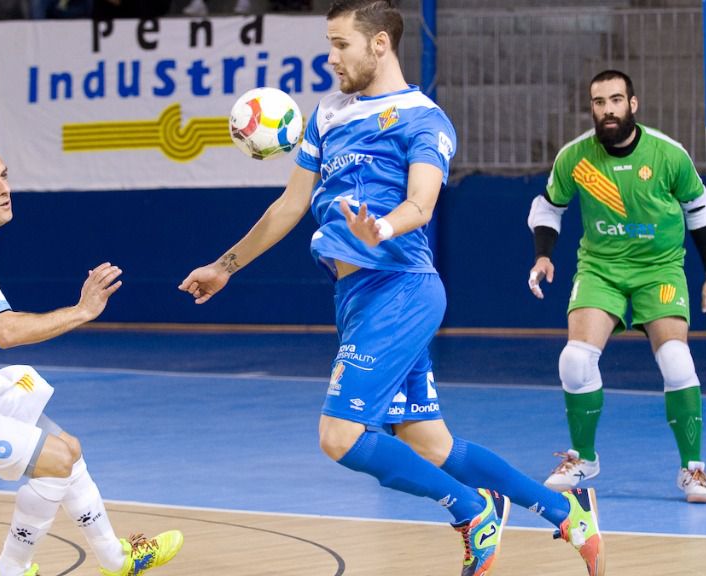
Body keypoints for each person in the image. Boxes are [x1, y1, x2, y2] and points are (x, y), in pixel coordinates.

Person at [179, 2, 603, 575]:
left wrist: (381, 227)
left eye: (341, 45)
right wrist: (225, 265)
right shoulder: (327, 113)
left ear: (380, 45)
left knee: (340, 435)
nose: (330, 59)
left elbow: (421, 203)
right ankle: (566, 511)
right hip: (357, 300)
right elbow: (290, 205)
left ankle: (472, 509)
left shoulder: (423, 118)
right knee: (432, 445)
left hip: (400, 289)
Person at [0, 142, 183, 576]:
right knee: (55, 461)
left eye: (4, 175)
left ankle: (117, 560)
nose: (4, 189)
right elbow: (5, 332)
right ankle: (10, 570)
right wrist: (82, 311)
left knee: (67, 449)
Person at [527, 69, 706, 504]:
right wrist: (544, 254)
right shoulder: (575, 158)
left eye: (616, 100)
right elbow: (548, 207)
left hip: (659, 270)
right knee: (575, 361)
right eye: (599, 102)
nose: (607, 110)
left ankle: (693, 469)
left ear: (632, 105)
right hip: (601, 269)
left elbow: (699, 211)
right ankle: (583, 457)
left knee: (676, 360)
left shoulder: (667, 155)